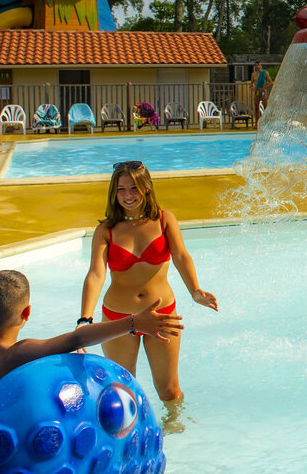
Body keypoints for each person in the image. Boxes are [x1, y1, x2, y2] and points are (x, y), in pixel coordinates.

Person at [0, 259, 182, 400]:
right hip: (2, 435)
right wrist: (133, 323)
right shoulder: (17, 352)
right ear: (26, 313)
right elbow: (76, 338)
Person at [80, 161, 218, 402]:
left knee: (169, 390)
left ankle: (174, 424)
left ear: (146, 188)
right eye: (121, 189)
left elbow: (181, 256)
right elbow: (96, 274)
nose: (128, 195)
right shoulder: (105, 230)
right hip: (118, 317)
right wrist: (85, 320)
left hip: (161, 314)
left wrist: (194, 290)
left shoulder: (164, 219)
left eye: (134, 188)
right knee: (122, 389)